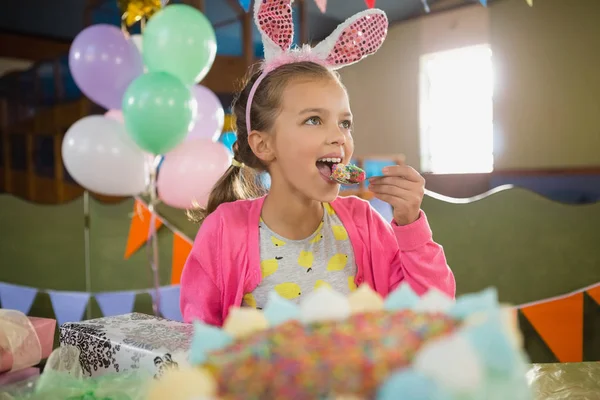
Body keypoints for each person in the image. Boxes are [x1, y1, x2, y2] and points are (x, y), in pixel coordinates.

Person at [180, 1, 455, 326]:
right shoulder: (226, 231)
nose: (339, 137)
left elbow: (430, 313)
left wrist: (411, 227)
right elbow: (199, 336)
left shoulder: (364, 224)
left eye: (345, 123)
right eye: (313, 120)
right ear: (264, 144)